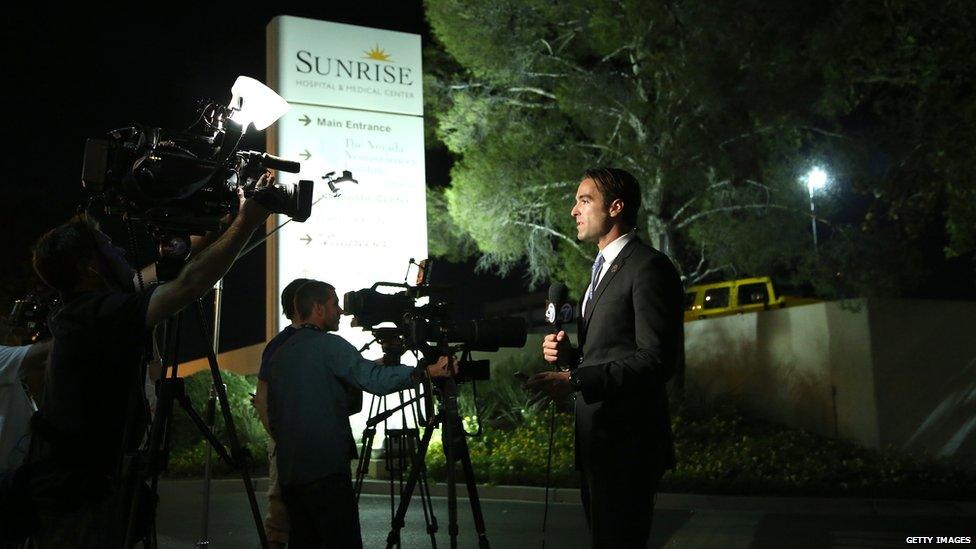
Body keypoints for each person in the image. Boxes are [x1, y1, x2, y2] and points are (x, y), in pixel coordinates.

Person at [28, 174, 274, 547]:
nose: (121, 253)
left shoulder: (86, 310)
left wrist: (225, 222)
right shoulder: (96, 314)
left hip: (81, 487)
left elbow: (172, 265)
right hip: (81, 502)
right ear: (88, 268)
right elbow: (189, 285)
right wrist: (250, 220)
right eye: (108, 246)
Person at [526, 167, 683, 548]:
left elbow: (657, 359)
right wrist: (571, 358)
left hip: (628, 443)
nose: (573, 210)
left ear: (615, 207)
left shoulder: (649, 267)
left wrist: (575, 380)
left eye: (584, 200)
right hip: (597, 441)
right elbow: (607, 353)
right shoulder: (599, 272)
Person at [266, 280, 453, 548]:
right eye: (334, 304)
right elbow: (373, 381)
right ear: (318, 308)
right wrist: (426, 372)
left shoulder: (281, 353)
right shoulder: (330, 345)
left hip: (291, 475)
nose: (340, 311)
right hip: (326, 473)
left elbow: (276, 413)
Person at [252, 277, 310, 549]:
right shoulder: (280, 345)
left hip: (297, 441)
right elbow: (262, 397)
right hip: (287, 441)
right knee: (280, 510)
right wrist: (278, 436)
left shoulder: (281, 344)